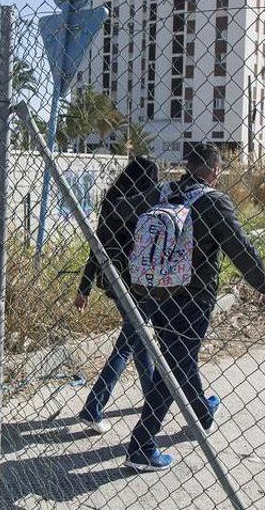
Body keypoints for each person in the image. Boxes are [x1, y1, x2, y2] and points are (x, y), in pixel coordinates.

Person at [120, 143, 265, 473]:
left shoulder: (162, 192)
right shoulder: (214, 201)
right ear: (215, 171)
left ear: (188, 166)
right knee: (177, 363)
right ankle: (141, 445)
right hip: (194, 297)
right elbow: (239, 246)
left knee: (178, 357)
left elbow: (121, 210)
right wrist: (263, 284)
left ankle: (202, 411)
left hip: (157, 292)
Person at [74, 157, 160, 435]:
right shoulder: (144, 206)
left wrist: (84, 288)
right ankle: (93, 407)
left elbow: (96, 246)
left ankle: (151, 398)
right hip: (138, 284)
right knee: (129, 342)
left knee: (137, 339)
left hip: (112, 281)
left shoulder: (113, 200)